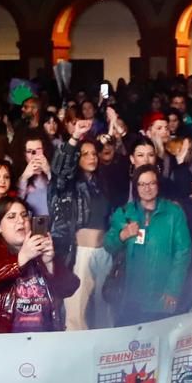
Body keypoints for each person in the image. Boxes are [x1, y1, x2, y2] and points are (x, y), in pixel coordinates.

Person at [0, 195, 79, 333]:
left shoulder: (40, 249)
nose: (21, 221)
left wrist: (49, 263)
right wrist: (20, 260)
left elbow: (70, 287)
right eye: (11, 217)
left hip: (42, 337)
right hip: (0, 338)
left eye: (24, 215)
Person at [105, 164, 192, 325]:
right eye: (142, 184)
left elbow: (183, 252)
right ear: (136, 187)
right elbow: (108, 245)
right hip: (129, 295)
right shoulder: (125, 212)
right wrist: (123, 235)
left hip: (161, 294)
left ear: (158, 185)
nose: (147, 188)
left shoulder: (173, 212)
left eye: (152, 183)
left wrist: (173, 289)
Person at [51, 119, 111, 330]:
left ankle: (106, 357)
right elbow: (59, 170)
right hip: (79, 252)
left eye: (94, 153)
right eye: (85, 154)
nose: (92, 157)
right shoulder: (68, 184)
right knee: (75, 313)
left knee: (106, 309)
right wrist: (75, 137)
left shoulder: (102, 182)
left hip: (105, 251)